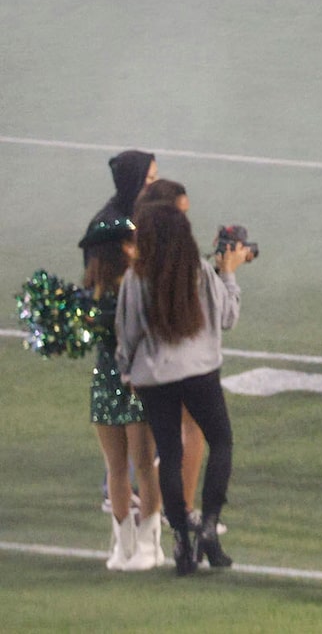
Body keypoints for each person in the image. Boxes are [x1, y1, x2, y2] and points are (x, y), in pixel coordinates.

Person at [115, 196, 247, 575]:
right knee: (221, 441)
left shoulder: (136, 277)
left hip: (155, 378)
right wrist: (230, 274)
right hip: (201, 372)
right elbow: (228, 317)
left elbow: (129, 332)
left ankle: (181, 546)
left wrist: (128, 374)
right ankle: (208, 526)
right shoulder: (201, 271)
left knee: (169, 454)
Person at [78, 209, 162, 572]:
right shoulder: (135, 289)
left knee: (124, 467)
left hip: (117, 384)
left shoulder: (90, 297)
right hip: (133, 384)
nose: (136, 246)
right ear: (120, 250)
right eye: (130, 242)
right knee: (137, 467)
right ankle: (135, 544)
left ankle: (136, 544)